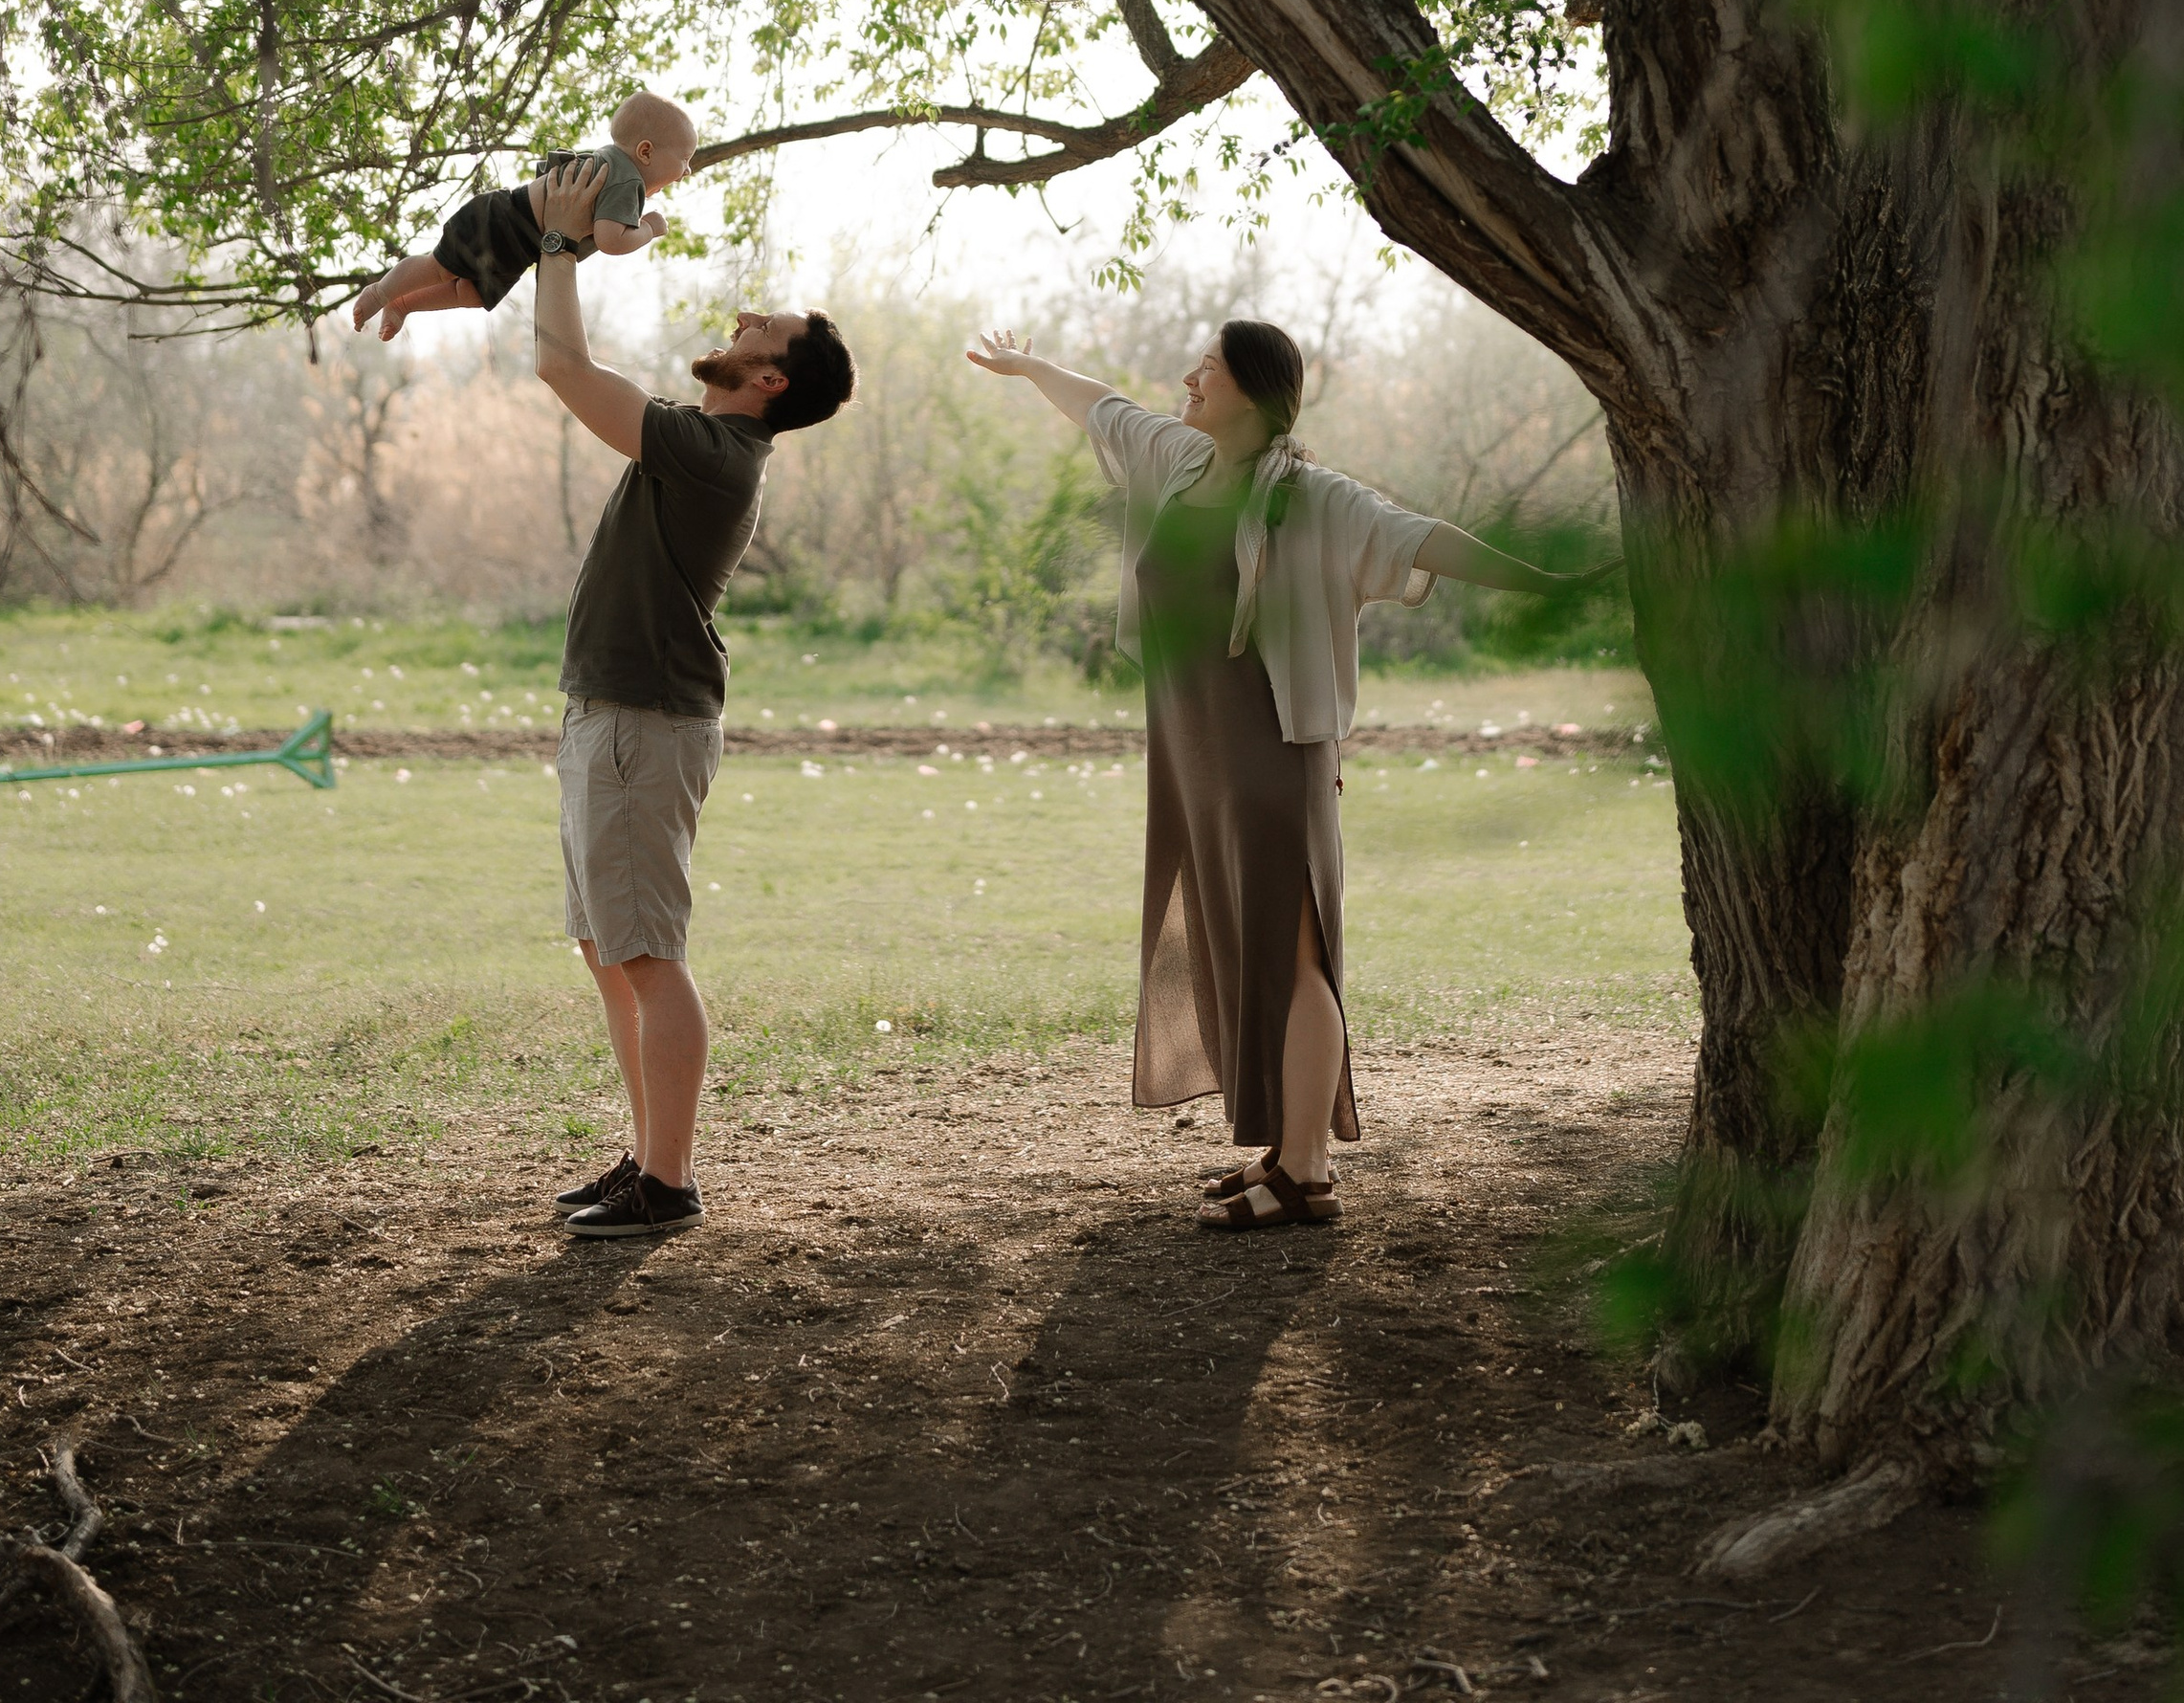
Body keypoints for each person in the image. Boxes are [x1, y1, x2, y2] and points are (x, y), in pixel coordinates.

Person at [968, 316, 1579, 1229]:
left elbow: (1425, 540)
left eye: (1208, 368)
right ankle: (1287, 1146)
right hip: (1195, 755)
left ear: (1253, 391)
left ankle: (1306, 1173)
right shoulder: (1179, 462)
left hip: (1273, 754)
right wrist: (1026, 367)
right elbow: (1102, 407)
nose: (1189, 379)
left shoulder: (1311, 497)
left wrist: (1560, 587)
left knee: (1296, 956)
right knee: (1241, 943)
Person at [533, 156, 854, 1236]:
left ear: (772, 382)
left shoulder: (718, 452)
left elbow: (562, 366)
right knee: (609, 951)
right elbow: (583, 368)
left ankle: (669, 1185)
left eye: (770, 328)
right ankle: (646, 1158)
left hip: (643, 726)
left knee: (647, 957)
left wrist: (558, 243)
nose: (747, 316)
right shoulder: (700, 439)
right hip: (608, 716)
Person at [352, 87, 701, 340]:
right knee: (439, 268)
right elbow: (611, 240)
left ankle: (403, 303)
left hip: (515, 241)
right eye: (685, 159)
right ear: (645, 151)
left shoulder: (609, 162)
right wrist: (649, 228)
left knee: (469, 294)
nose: (686, 171)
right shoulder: (627, 180)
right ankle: (381, 292)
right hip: (502, 222)